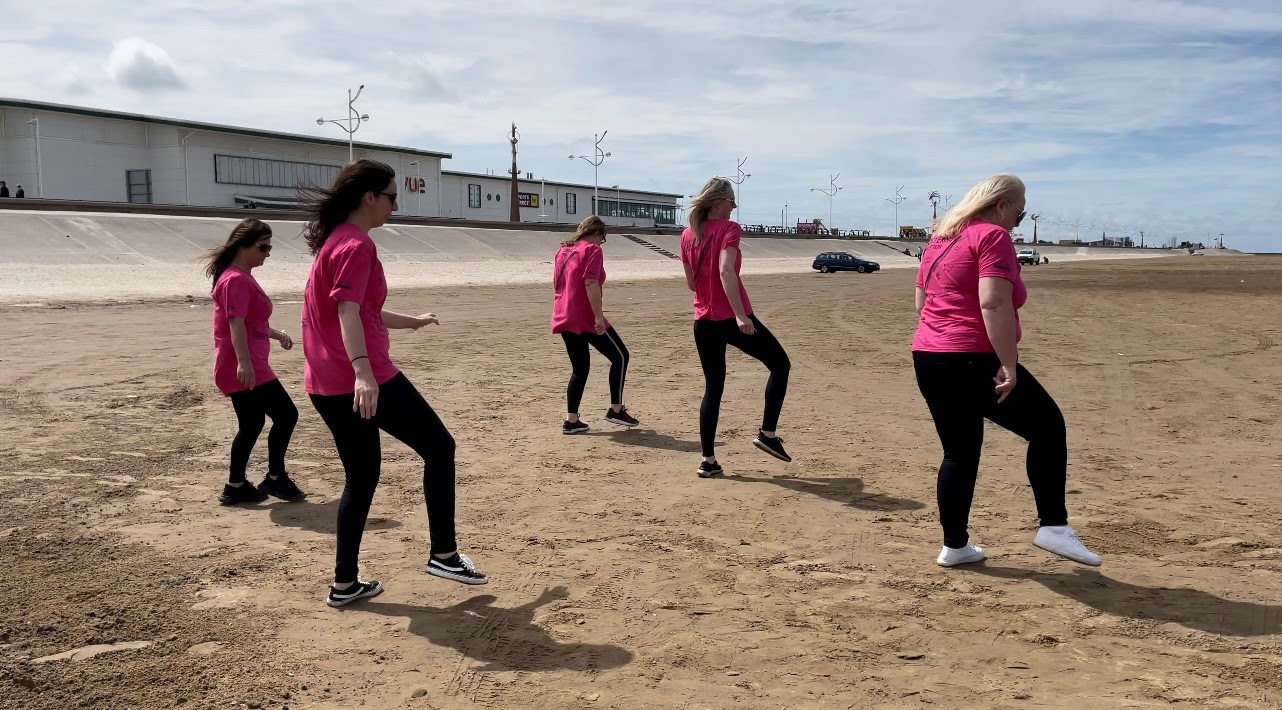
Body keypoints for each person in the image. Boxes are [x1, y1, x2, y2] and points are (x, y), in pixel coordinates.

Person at [300, 159, 488, 608]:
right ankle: (443, 553)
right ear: (369, 197)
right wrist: (364, 371)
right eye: (390, 196)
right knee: (440, 447)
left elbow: (361, 309)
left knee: (361, 478)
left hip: (325, 381)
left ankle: (344, 584)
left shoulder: (336, 242)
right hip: (359, 378)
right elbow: (347, 311)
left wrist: (411, 322)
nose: (395, 205)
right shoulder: (356, 245)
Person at [912, 173, 1100, 568]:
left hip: (929, 355)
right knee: (1048, 428)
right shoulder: (992, 236)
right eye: (1020, 211)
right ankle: (1053, 526)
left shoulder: (941, 239)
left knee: (959, 453)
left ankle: (955, 546)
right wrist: (1008, 364)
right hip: (970, 358)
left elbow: (921, 303)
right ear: (1001, 205)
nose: (1019, 219)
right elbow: (993, 303)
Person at [680, 177, 792, 478]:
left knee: (713, 388)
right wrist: (741, 316)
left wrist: (708, 292)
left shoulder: (688, 233)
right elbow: (725, 271)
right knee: (780, 365)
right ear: (718, 202)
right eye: (731, 200)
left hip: (702, 320)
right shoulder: (730, 229)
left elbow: (692, 283)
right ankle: (767, 434)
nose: (734, 205)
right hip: (731, 317)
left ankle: (708, 460)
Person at [203, 218, 304, 505]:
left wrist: (277, 334)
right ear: (243, 245)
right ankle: (275, 478)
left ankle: (235, 486)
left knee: (252, 424)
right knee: (286, 415)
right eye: (263, 247)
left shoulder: (241, 275)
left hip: (245, 362)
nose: (267, 253)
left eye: (270, 247)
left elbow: (251, 322)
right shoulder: (235, 278)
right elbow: (235, 324)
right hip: (246, 366)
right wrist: (244, 363)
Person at [551, 215, 639, 434]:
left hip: (563, 313)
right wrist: (598, 318)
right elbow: (590, 282)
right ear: (598, 233)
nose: (601, 243)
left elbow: (556, 282)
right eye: (602, 238)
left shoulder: (563, 250)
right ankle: (616, 409)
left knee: (580, 368)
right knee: (620, 356)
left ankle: (571, 421)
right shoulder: (592, 250)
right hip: (585, 315)